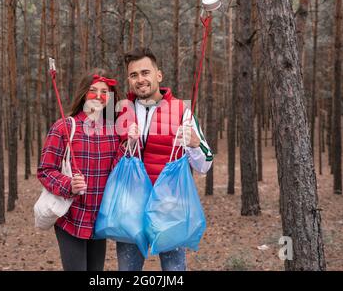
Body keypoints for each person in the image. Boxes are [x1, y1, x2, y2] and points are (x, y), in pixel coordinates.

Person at [116, 47, 214, 271]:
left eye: (145, 72)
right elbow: (111, 160)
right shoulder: (122, 111)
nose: (140, 80)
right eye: (133, 75)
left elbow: (205, 165)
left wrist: (195, 144)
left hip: (170, 210)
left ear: (158, 75)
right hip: (130, 209)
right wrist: (125, 144)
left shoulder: (181, 111)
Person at [37, 69, 122, 271]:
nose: (99, 96)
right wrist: (68, 185)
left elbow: (118, 171)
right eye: (93, 90)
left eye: (104, 91)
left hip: (99, 219)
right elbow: (45, 170)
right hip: (71, 217)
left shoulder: (114, 131)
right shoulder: (64, 127)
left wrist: (130, 143)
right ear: (84, 93)